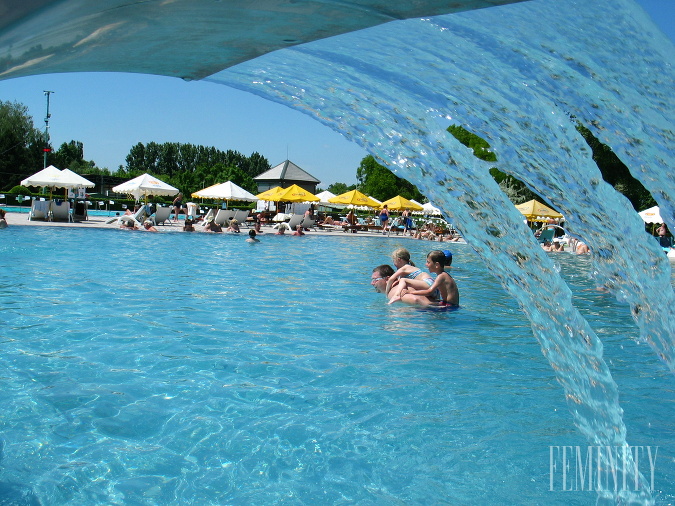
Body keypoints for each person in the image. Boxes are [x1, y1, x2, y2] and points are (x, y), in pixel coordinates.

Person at [390, 250, 459, 307]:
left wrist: (411, 292)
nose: (426, 264)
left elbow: (429, 292)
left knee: (418, 310)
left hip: (449, 306)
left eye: (428, 262)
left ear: (437, 265)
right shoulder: (444, 275)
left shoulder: (441, 276)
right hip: (450, 304)